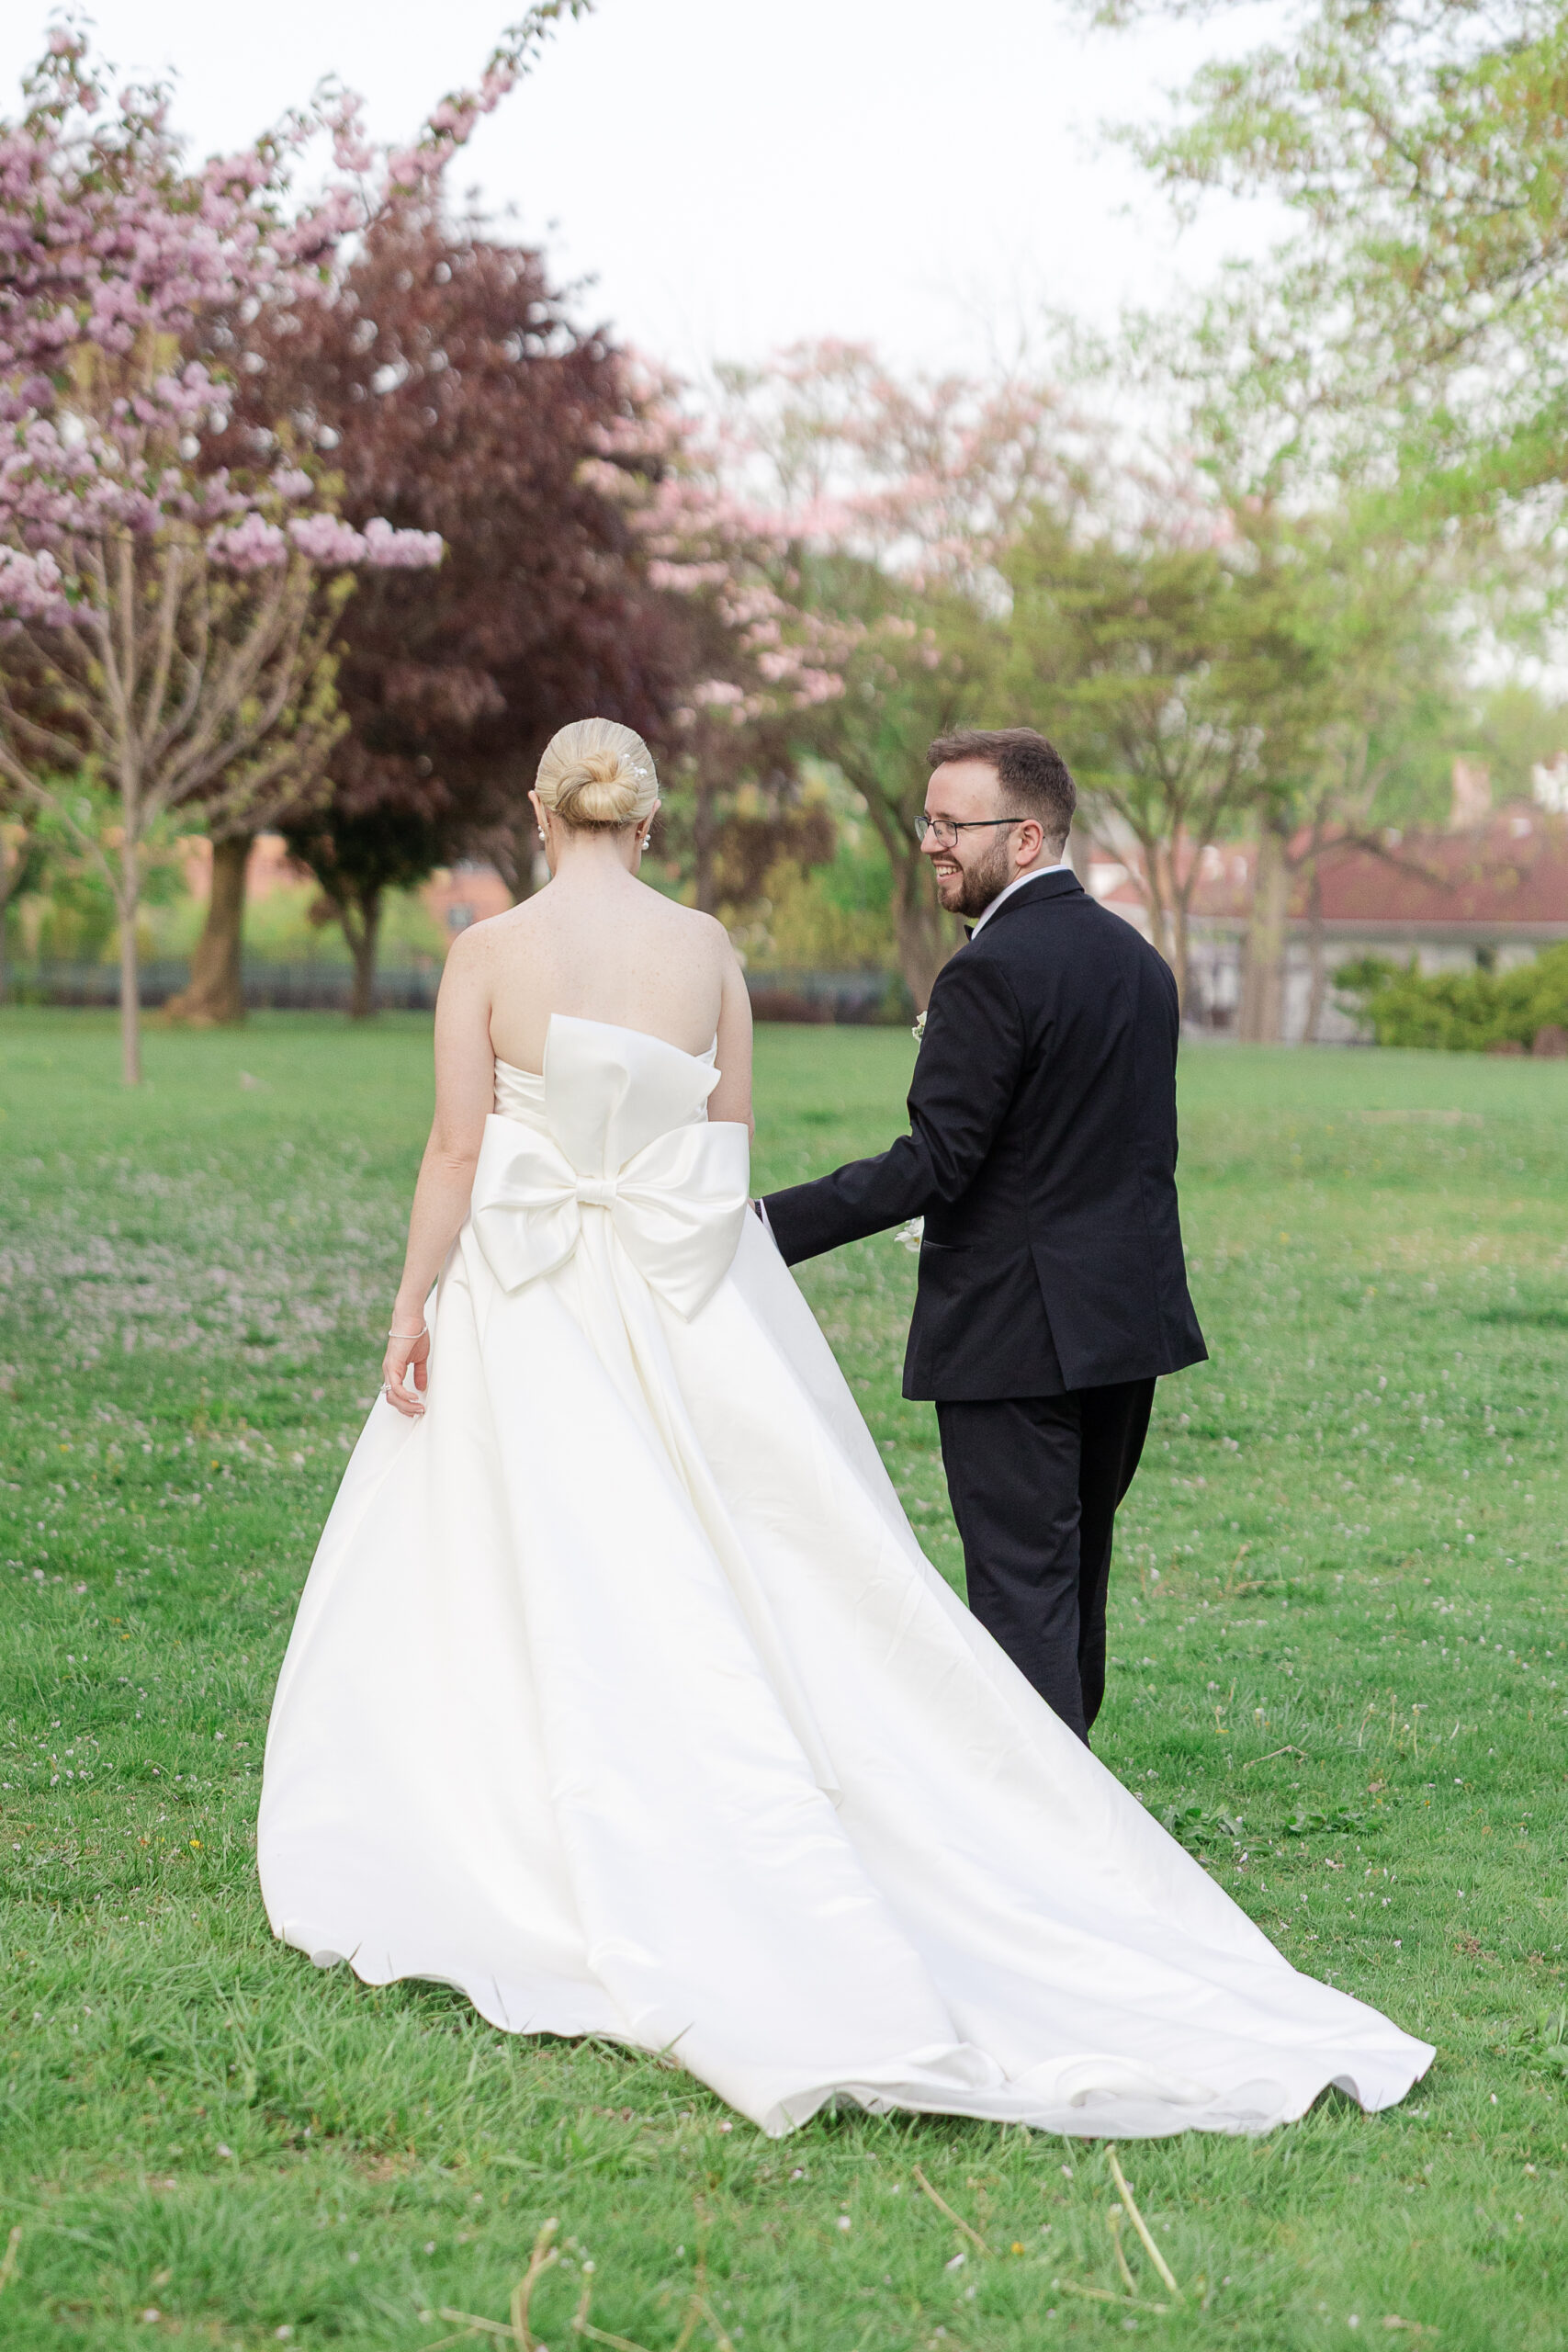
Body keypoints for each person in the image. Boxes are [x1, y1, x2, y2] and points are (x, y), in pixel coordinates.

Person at [259, 716, 1432, 2142]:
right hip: (1072, 1318)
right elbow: (721, 1150)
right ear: (647, 819)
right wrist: (721, 1252)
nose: (929, 843)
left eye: (949, 825)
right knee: (1010, 1576)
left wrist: (424, 1299)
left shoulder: (495, 954)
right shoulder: (786, 954)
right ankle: (1050, 1820)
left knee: (579, 1555)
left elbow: (468, 1145)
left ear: (539, 809)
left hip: (577, 1296)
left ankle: (1020, 1833)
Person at [763, 728, 1203, 1745]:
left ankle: (1045, 1826)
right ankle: (1082, 1813)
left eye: (952, 824)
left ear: (1027, 836)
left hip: (1013, 1333)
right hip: (1123, 1327)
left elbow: (935, 1162)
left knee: (1020, 1600)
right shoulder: (1140, 965)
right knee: (1072, 1584)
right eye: (928, 821)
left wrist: (765, 1225)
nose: (930, 842)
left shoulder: (989, 971)